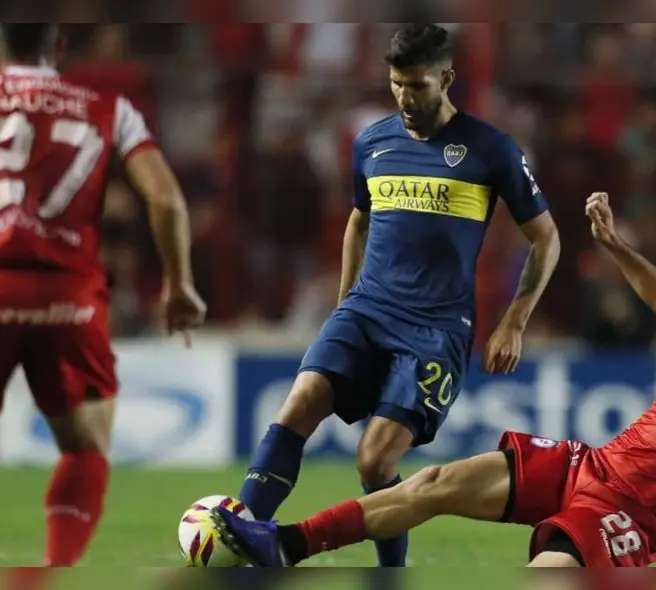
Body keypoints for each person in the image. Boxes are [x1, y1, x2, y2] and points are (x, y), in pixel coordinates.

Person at [214, 192, 656, 568]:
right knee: (437, 483)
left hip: (629, 513)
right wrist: (619, 248)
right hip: (586, 467)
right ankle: (287, 544)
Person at [235, 23, 561, 569]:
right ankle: (243, 536)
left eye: (418, 86)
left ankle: (390, 574)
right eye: (397, 85)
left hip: (435, 329)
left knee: (375, 459)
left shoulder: (490, 149)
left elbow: (546, 237)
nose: (406, 98)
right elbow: (358, 223)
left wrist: (514, 321)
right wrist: (345, 303)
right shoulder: (373, 142)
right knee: (300, 401)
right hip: (366, 310)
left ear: (447, 78)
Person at [0, 24, 205, 566]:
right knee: (86, 445)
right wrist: (178, 284)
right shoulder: (109, 108)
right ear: (59, 46)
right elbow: (164, 199)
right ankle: (42, 577)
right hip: (66, 292)